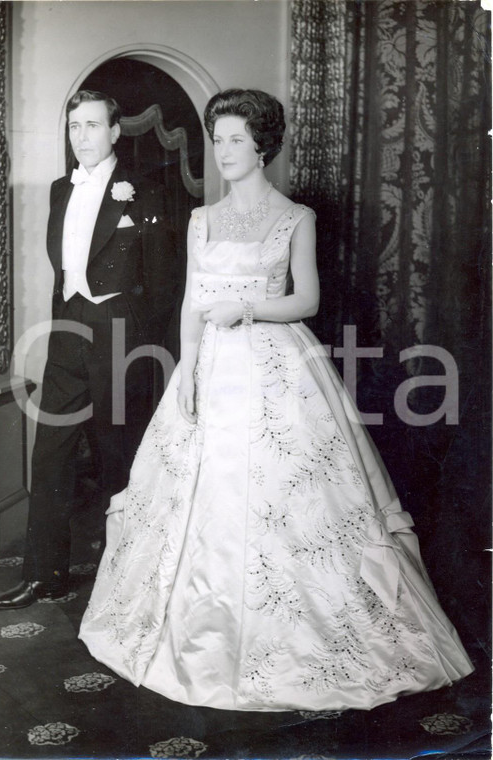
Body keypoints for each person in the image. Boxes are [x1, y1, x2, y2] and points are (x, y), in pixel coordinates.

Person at [79, 89, 473, 711]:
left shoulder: (295, 218)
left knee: (293, 507)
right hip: (210, 367)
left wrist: (247, 309)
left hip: (277, 367)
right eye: (219, 139)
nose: (225, 151)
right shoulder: (201, 219)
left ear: (263, 147)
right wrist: (186, 374)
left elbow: (306, 301)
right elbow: (188, 305)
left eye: (237, 139)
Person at [0, 90, 176, 610]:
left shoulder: (147, 190)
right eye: (74, 126)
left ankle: (130, 582)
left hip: (121, 332)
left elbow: (164, 282)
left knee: (120, 455)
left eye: (93, 126)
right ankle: (43, 574)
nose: (82, 136)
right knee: (50, 455)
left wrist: (142, 342)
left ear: (116, 131)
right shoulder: (58, 190)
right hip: (68, 328)